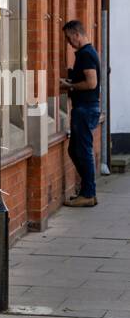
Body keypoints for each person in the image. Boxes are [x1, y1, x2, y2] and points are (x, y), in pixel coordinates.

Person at [59, 20, 102, 207]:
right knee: (75, 150)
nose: (69, 43)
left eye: (69, 38)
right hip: (86, 108)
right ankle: (87, 190)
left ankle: (88, 193)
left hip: (85, 109)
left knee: (83, 151)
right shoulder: (87, 53)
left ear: (77, 34)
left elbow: (91, 83)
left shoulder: (85, 55)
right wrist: (71, 80)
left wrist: (70, 86)